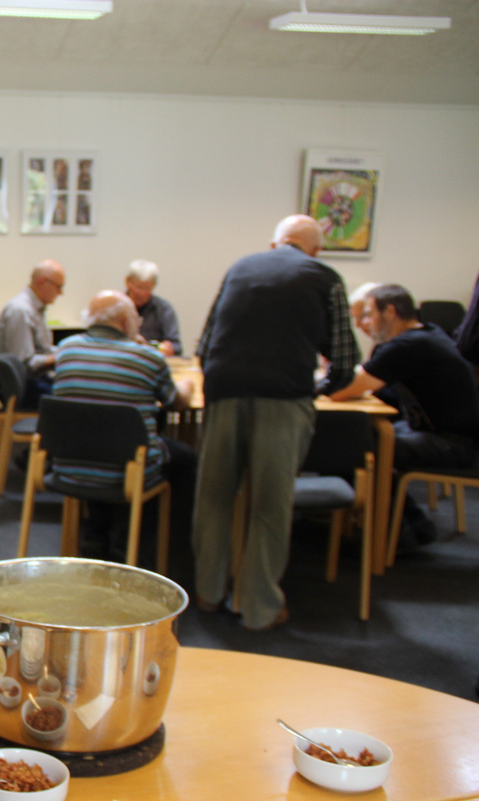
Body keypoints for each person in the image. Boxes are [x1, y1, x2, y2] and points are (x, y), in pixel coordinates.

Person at [192, 215, 359, 631]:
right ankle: (256, 606)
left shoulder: (240, 268)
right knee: (270, 505)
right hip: (284, 400)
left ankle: (208, 592)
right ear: (314, 249)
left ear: (274, 245)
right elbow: (344, 359)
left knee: (213, 495)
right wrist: (319, 390)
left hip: (225, 391)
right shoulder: (326, 277)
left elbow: (204, 345)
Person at [329, 284, 479, 549]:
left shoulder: (408, 346)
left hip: (455, 444)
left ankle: (393, 539)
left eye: (368, 315)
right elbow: (378, 389)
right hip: (446, 435)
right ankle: (415, 525)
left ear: (390, 311)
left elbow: (344, 390)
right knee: (370, 434)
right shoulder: (427, 334)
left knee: (360, 444)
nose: (364, 324)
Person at [51, 291, 196, 561]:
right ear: (124, 321)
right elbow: (174, 402)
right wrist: (187, 386)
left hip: (70, 463)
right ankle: (169, 550)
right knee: (184, 459)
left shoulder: (66, 350)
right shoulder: (147, 357)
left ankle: (95, 539)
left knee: (102, 442)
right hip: (127, 470)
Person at [0, 259, 65, 410]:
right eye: (58, 286)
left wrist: (66, 351)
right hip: (25, 388)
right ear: (41, 281)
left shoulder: (33, 309)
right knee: (77, 396)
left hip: (30, 383)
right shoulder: (21, 311)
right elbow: (24, 363)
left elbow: (42, 349)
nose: (60, 292)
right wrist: (59, 357)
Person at [124, 260, 183, 356]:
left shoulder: (164, 309)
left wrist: (169, 348)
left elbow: (176, 347)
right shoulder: (113, 307)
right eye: (139, 287)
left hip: (152, 364)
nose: (142, 293)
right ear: (127, 282)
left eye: (147, 288)